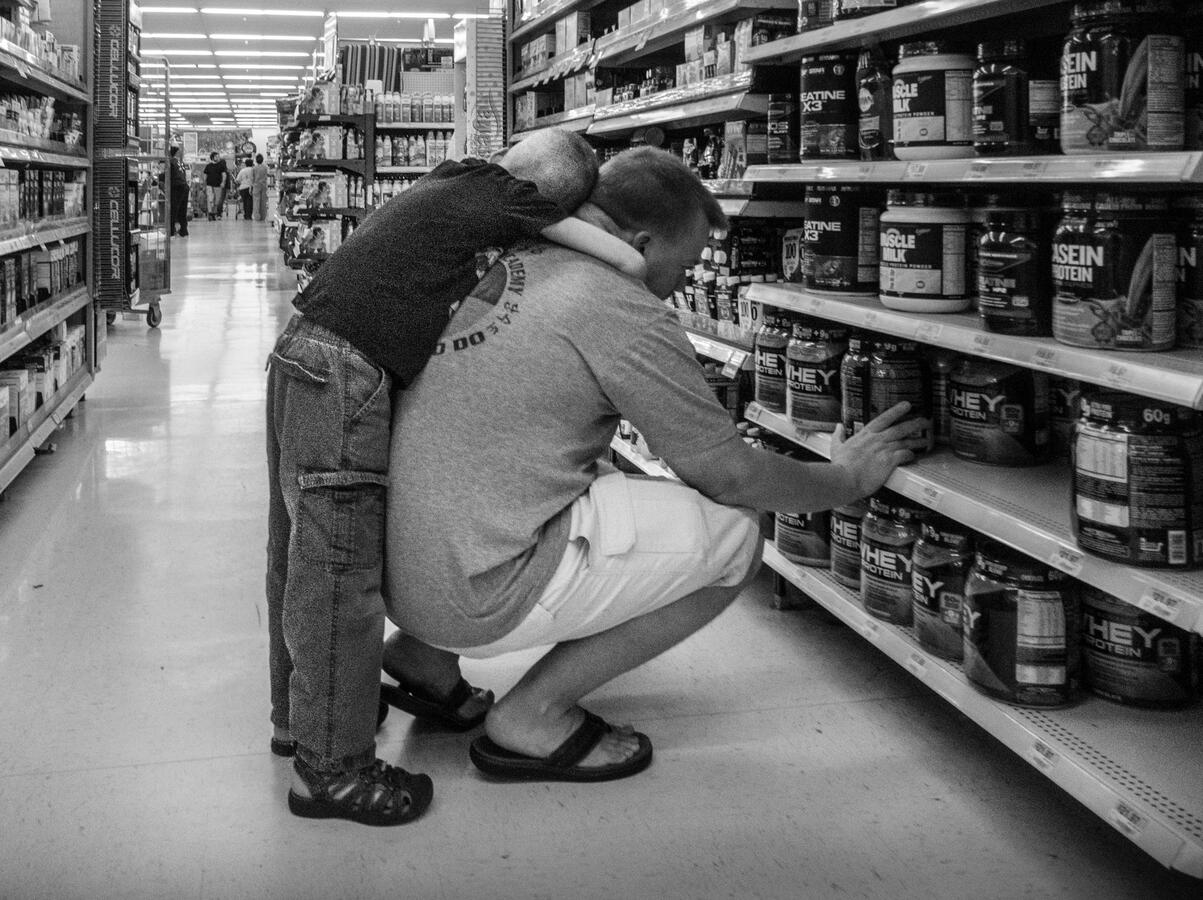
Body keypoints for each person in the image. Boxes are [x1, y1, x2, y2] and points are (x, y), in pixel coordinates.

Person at [382, 147, 927, 782]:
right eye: (685, 265)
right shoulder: (618, 303)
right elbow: (728, 475)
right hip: (472, 594)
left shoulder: (511, 257)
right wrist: (846, 479)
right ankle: (534, 714)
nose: (683, 283)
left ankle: (424, 660)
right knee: (734, 538)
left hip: (403, 577)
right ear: (640, 242)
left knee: (589, 474)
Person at [265, 128, 648, 826]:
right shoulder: (510, 202)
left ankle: (297, 723)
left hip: (301, 352)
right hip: (346, 377)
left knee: (296, 553)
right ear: (545, 199)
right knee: (341, 574)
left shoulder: (452, 177)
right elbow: (625, 258)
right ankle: (332, 773)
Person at [167, 146, 188, 237]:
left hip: (176, 187)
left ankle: (171, 231)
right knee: (182, 209)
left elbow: (168, 176)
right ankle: (184, 230)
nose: (181, 152)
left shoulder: (171, 162)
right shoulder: (180, 162)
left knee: (174, 209)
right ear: (176, 153)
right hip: (184, 186)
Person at [202, 151, 229, 220]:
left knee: (217, 201)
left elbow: (224, 175)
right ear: (212, 157)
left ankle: (214, 213)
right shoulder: (208, 166)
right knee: (210, 199)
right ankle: (210, 213)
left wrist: (223, 182)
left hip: (218, 185)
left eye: (218, 156)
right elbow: (205, 175)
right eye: (216, 156)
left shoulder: (221, 166)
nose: (218, 158)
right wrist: (204, 184)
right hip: (209, 185)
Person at [252, 154, 269, 221]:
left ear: (256, 160)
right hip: (264, 185)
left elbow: (252, 177)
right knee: (263, 201)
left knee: (256, 201)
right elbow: (266, 176)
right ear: (262, 160)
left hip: (256, 185)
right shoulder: (265, 167)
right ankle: (263, 216)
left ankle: (256, 216)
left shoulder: (254, 168)